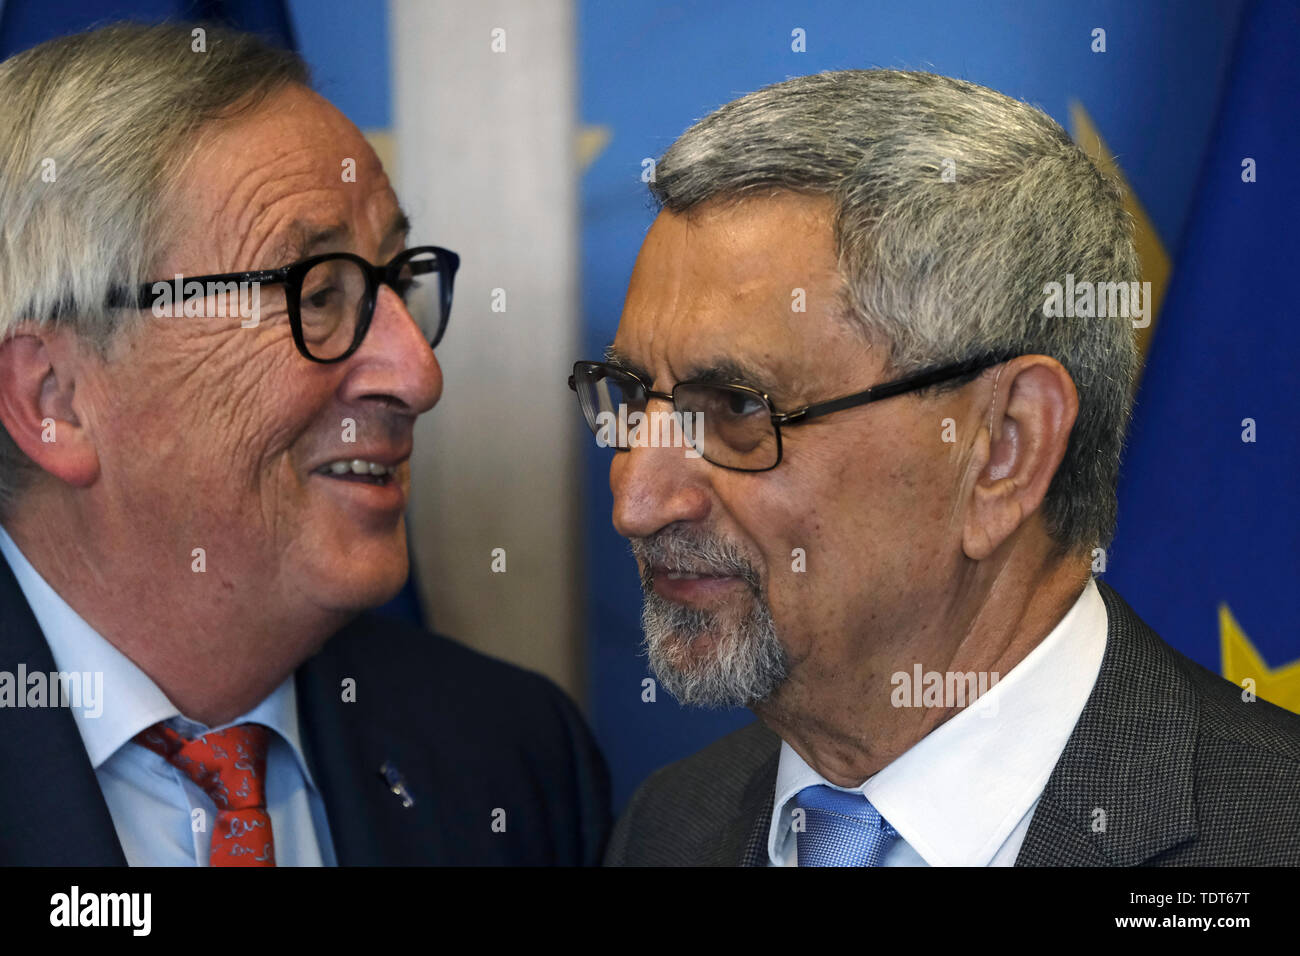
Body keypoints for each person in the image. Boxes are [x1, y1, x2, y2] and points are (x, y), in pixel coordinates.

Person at [575, 69, 1300, 866]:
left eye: (740, 409)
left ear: (1005, 447)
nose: (638, 501)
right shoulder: (669, 827)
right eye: (631, 397)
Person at [0, 22, 609, 866]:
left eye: (395, 282)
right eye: (318, 293)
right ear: (54, 399)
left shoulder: (509, 755)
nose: (417, 374)